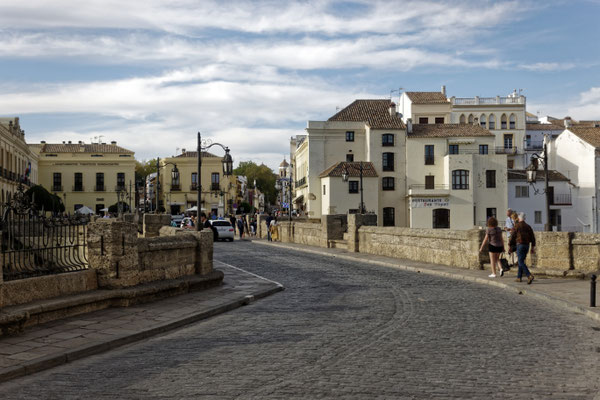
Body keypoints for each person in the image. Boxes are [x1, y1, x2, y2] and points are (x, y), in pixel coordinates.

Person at [509, 212, 535, 284]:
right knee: (521, 261)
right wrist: (532, 247)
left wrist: (510, 245)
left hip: (520, 245)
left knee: (520, 261)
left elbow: (513, 236)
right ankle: (519, 277)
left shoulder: (517, 226)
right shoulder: (528, 226)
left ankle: (529, 275)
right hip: (527, 245)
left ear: (519, 218)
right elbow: (532, 237)